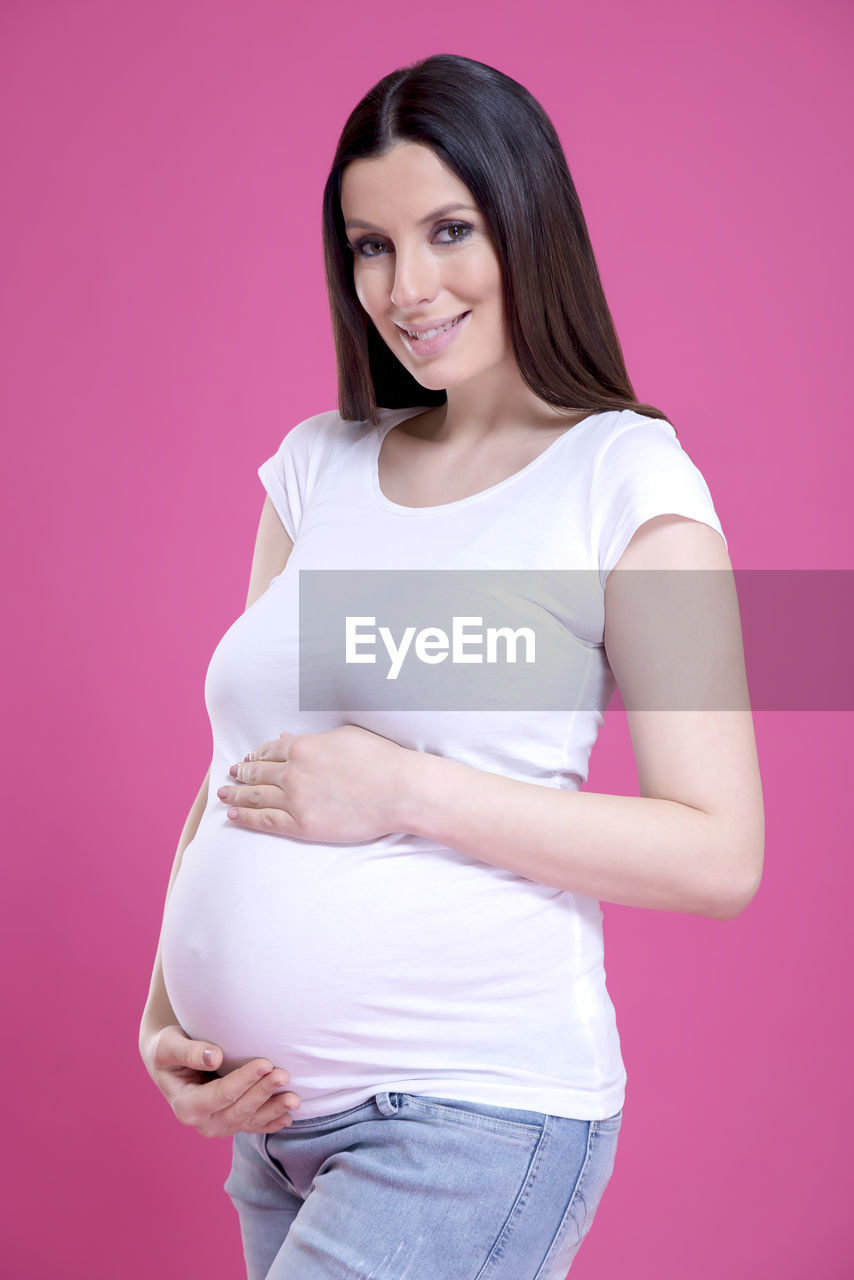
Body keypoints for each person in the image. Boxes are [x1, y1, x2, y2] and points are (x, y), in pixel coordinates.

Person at [139, 52, 764, 1280]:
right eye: (370, 246)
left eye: (447, 230)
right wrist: (164, 1017)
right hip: (272, 1128)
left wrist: (407, 789)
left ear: (526, 221)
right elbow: (235, 770)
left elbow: (717, 852)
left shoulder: (622, 477)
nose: (406, 287)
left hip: (467, 1116)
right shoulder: (315, 465)